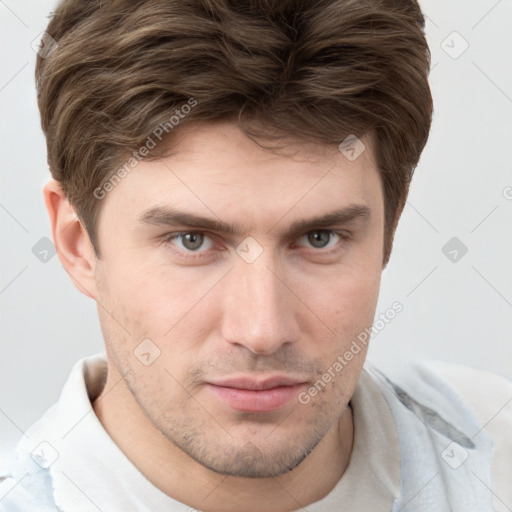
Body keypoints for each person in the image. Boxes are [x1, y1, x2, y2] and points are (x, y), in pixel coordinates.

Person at [1, 0, 511, 510]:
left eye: (320, 239)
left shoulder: (498, 449)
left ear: (389, 230)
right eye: (192, 241)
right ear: (77, 244)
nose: (262, 330)